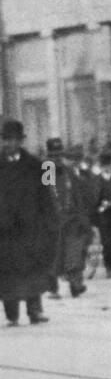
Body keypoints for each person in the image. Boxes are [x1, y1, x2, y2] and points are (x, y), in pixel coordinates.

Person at [0, 120, 57, 326]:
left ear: (20, 141)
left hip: (31, 229)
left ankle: (35, 310)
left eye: (11, 140)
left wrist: (50, 223)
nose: (7, 144)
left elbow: (48, 196)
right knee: (6, 273)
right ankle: (12, 315)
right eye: (4, 139)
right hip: (4, 231)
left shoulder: (39, 166)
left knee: (33, 269)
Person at [45, 138, 95, 298]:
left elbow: (78, 194)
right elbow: (45, 195)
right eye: (53, 155)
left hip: (72, 218)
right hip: (53, 220)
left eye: (59, 155)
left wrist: (83, 217)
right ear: (48, 156)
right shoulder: (47, 170)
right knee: (53, 255)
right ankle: (53, 288)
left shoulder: (69, 171)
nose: (56, 158)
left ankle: (76, 283)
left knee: (75, 249)